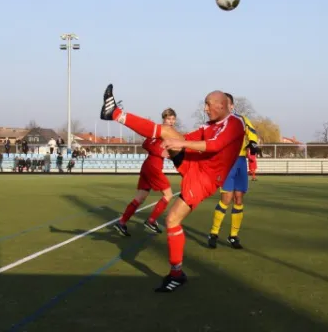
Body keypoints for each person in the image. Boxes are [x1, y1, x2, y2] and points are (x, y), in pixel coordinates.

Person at [100, 84, 245, 292]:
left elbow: (213, 146)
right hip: (195, 164)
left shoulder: (234, 124)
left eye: (208, 105)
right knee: (166, 131)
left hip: (205, 178)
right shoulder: (209, 125)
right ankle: (114, 113)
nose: (205, 109)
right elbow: (188, 138)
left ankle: (176, 274)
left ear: (222, 106)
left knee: (172, 220)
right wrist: (175, 141)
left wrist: (181, 145)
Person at [113, 108, 178, 236]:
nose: (171, 122)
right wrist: (161, 152)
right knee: (168, 194)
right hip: (153, 166)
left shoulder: (164, 132)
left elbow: (148, 145)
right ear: (163, 119)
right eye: (168, 119)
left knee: (140, 197)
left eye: (173, 119)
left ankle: (122, 223)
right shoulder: (160, 131)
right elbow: (148, 145)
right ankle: (151, 220)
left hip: (148, 165)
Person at [207, 93, 259, 250]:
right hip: (228, 162)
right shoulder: (219, 122)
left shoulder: (242, 119)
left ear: (232, 106)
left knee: (238, 199)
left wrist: (253, 144)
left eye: (227, 104)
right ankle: (214, 233)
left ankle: (233, 236)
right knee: (226, 198)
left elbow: (252, 132)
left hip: (241, 162)